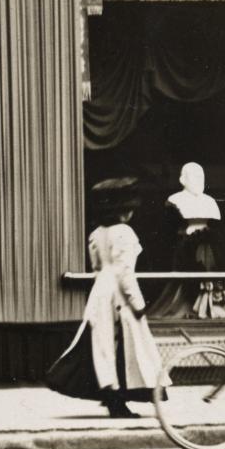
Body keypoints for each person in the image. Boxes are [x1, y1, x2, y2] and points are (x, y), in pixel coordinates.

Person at [46, 177, 164, 418]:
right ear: (123, 211)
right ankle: (118, 399)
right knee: (124, 347)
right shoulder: (125, 233)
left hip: (100, 290)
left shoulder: (96, 234)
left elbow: (97, 266)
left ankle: (110, 394)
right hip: (118, 296)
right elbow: (125, 273)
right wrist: (138, 304)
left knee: (102, 346)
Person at [147, 161, 225, 319]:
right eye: (194, 176)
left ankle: (208, 307)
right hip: (186, 244)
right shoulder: (175, 200)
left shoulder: (209, 202)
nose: (199, 180)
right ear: (183, 179)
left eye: (201, 176)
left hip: (206, 246)